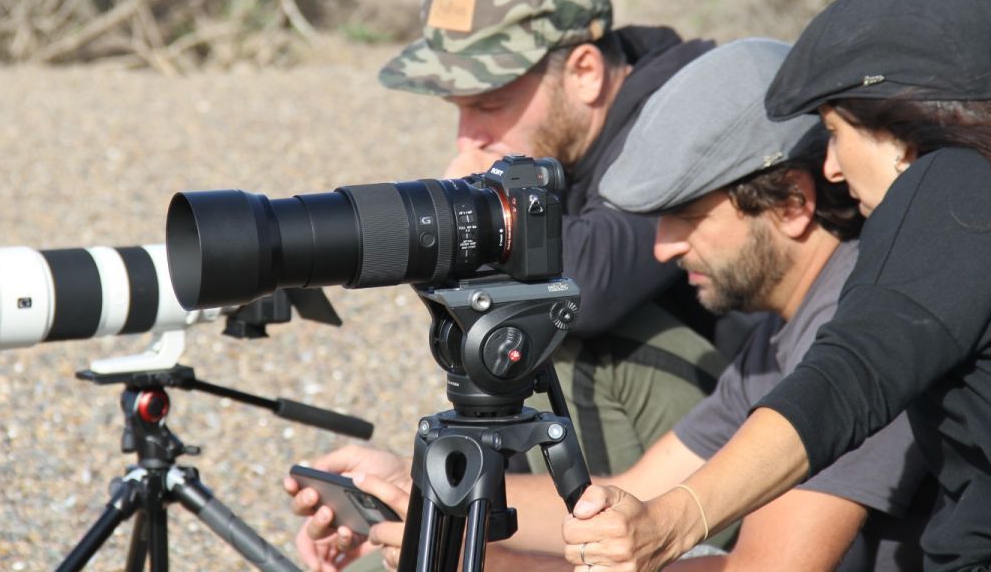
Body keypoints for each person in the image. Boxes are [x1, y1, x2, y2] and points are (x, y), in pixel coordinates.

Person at [287, 38, 932, 572]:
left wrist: (495, 566)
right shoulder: (780, 340)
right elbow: (641, 495)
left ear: (793, 204)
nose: (662, 249)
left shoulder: (862, 329)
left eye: (684, 216)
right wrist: (423, 491)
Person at [564, 0, 991, 572]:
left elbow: (849, 380)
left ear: (902, 136)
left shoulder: (956, 183)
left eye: (838, 134)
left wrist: (673, 522)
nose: (834, 170)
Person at [377, 0, 726, 477]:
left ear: (584, 72)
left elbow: (591, 285)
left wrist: (474, 206)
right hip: (691, 427)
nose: (470, 135)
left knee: (558, 326)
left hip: (779, 460)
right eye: (459, 108)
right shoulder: (583, 128)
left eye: (489, 104)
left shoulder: (690, 109)